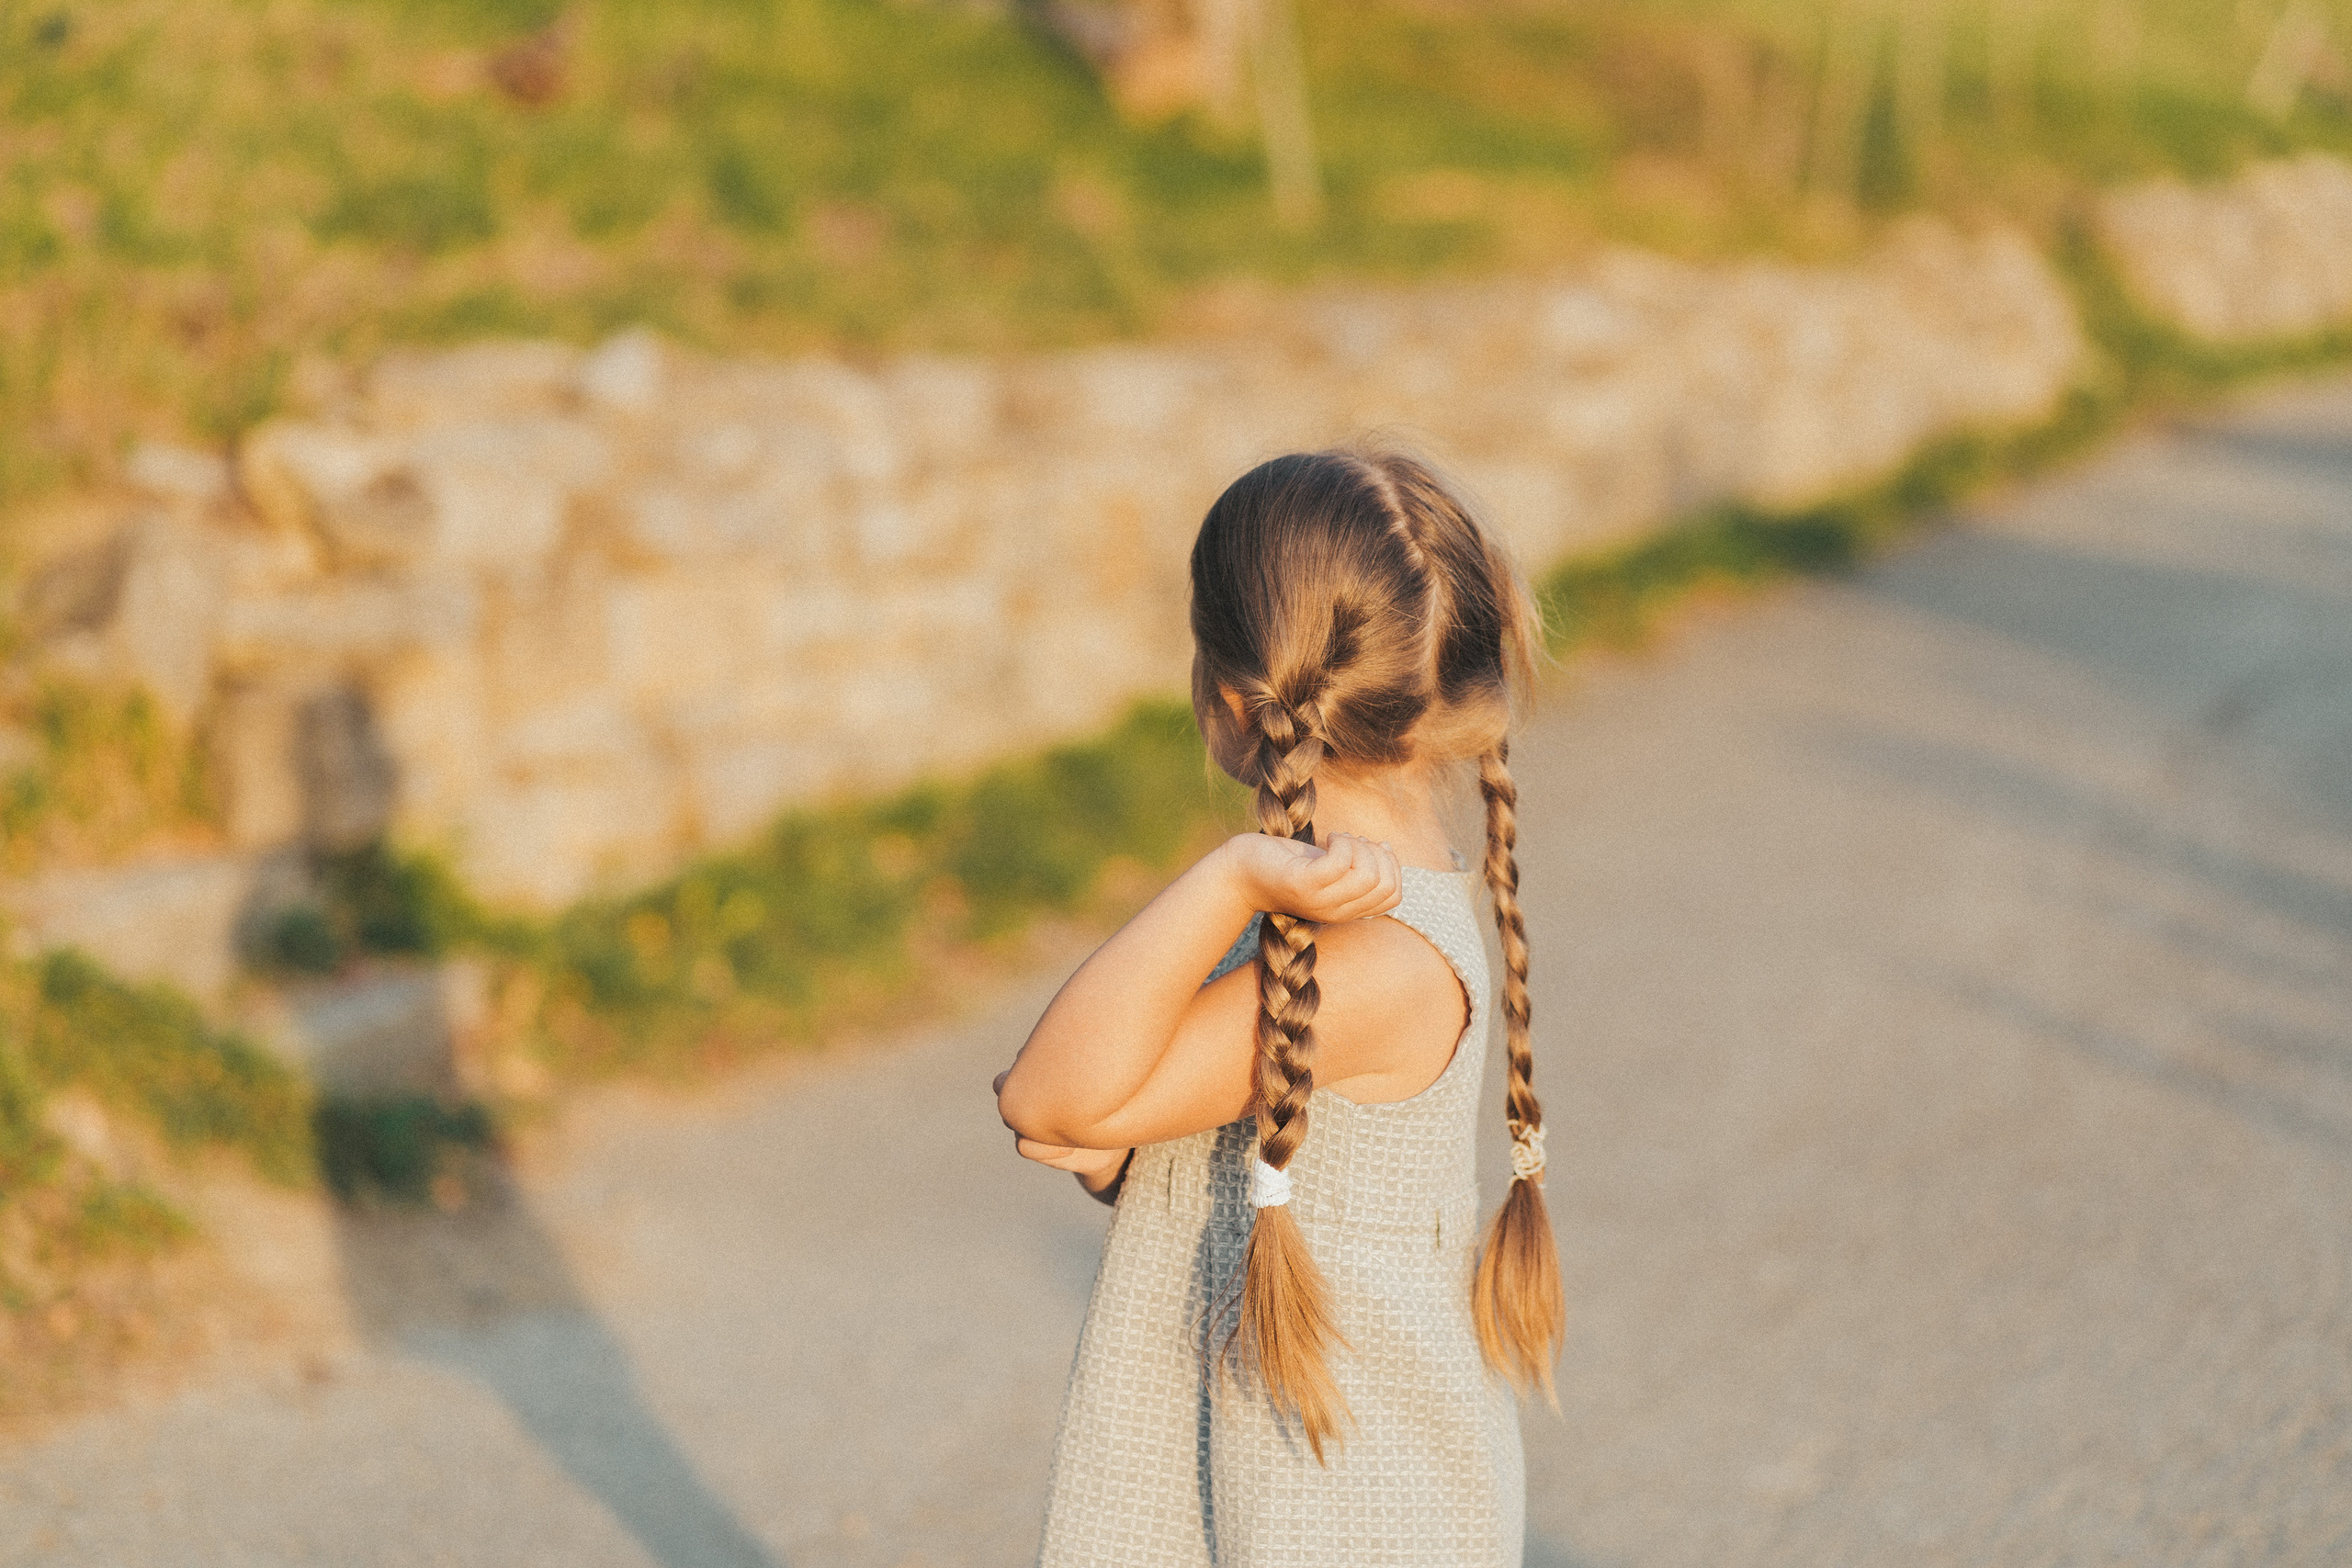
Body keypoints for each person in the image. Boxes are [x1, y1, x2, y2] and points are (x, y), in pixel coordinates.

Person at [993, 446, 1562, 1567]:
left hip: (1343, 1512)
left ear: (1228, 699)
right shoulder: (1336, 925)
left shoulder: (1375, 964)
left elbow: (1045, 1095)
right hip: (1288, 1489)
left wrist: (1224, 877)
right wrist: (1121, 1137)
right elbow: (1076, 1119)